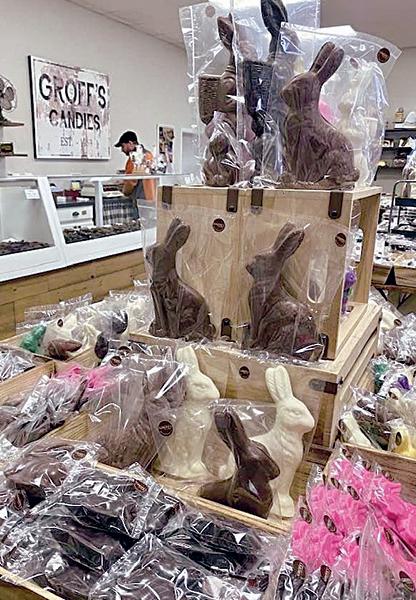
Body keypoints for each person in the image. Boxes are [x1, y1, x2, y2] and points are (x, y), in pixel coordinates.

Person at [115, 130, 156, 205]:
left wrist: (123, 191)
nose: (122, 150)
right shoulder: (149, 154)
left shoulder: (134, 159)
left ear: (130, 143)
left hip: (140, 199)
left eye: (123, 146)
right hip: (151, 197)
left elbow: (131, 182)